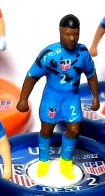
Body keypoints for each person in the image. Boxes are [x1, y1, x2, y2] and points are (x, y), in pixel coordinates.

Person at [17, 15, 100, 179]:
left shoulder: (83, 53)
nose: (72, 38)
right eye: (68, 34)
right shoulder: (49, 54)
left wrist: (95, 97)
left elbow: (91, 75)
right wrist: (23, 99)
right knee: (47, 130)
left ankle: (65, 160)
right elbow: (32, 76)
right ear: (60, 32)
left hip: (71, 98)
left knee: (74, 130)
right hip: (52, 98)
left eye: (75, 34)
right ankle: (44, 160)